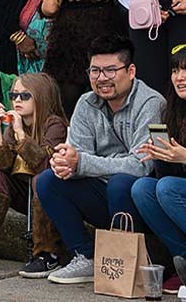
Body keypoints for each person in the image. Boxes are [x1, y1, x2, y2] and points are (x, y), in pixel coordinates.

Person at [37, 34, 162, 285]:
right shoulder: (86, 102)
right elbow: (78, 156)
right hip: (102, 195)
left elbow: (142, 165)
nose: (102, 78)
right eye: (95, 70)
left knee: (121, 183)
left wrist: (82, 163)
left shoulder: (151, 103)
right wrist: (65, 163)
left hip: (139, 201)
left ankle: (125, 261)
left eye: (110, 70)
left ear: (131, 71)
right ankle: (86, 257)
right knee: (48, 180)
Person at [0, 73, 68, 278]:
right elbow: (2, 165)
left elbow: (43, 165)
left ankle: (49, 254)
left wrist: (19, 133)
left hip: (51, 194)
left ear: (41, 96)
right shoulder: (15, 122)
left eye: (24, 96)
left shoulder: (55, 125)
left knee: (40, 180)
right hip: (23, 192)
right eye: (14, 95)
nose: (17, 100)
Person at [132, 47, 186, 289]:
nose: (179, 77)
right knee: (142, 188)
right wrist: (160, 156)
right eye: (175, 70)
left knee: (167, 188)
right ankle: (182, 260)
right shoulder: (173, 109)